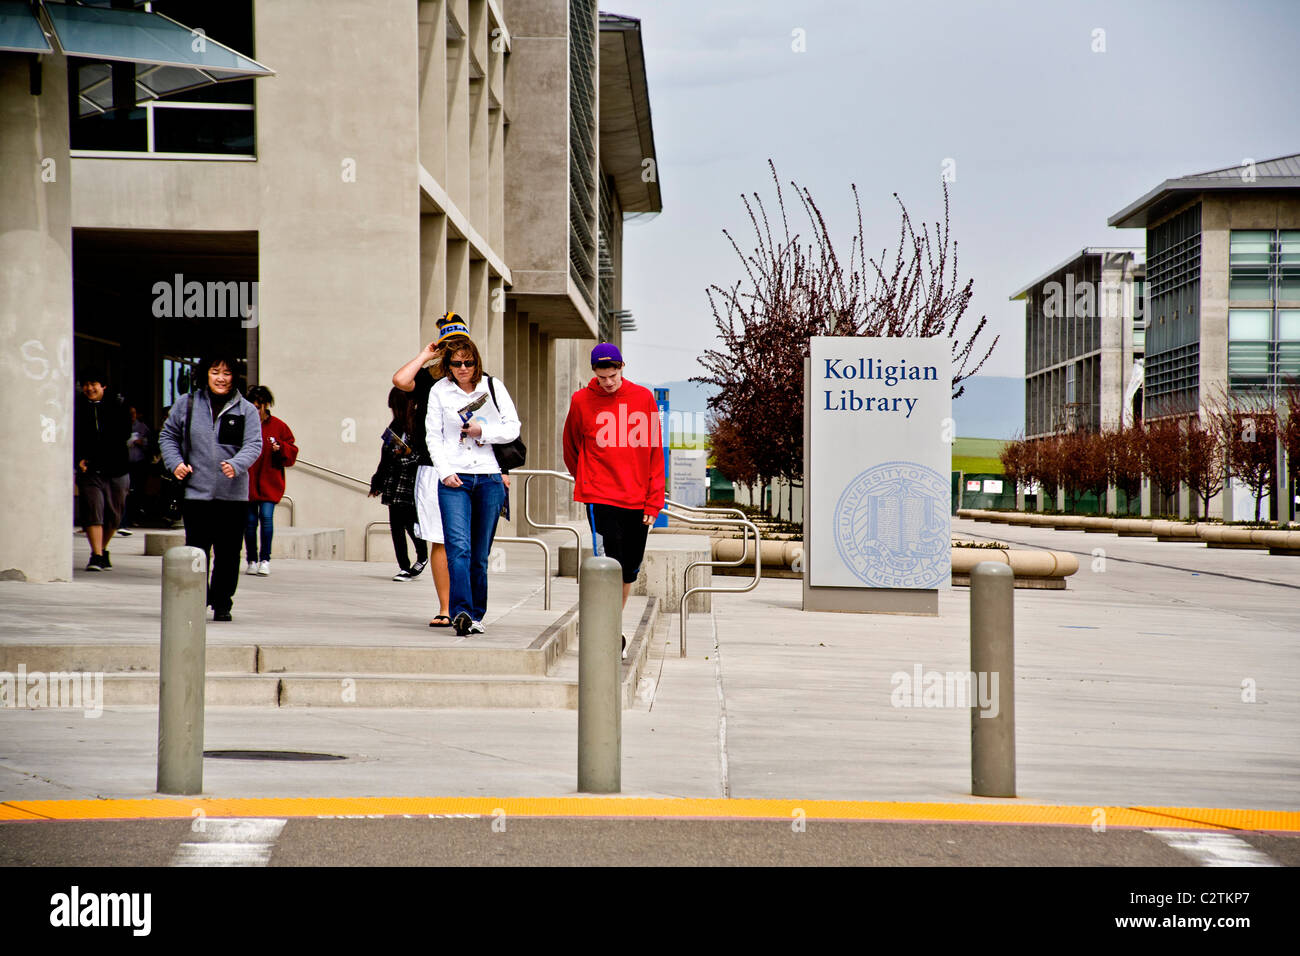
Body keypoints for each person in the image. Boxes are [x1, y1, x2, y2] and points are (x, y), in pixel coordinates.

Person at [562, 343, 665, 658]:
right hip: (600, 498)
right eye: (602, 376)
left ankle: (610, 622)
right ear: (594, 372)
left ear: (623, 368)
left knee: (628, 570)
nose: (608, 382)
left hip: (637, 499)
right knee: (609, 565)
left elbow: (654, 452)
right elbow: (570, 447)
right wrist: (588, 479)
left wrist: (654, 502)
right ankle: (610, 632)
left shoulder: (643, 398)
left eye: (614, 375)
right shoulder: (581, 401)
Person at [426, 324, 520, 637]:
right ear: (448, 366)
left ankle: (476, 615)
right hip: (454, 479)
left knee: (479, 555)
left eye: (469, 362)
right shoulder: (440, 391)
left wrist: (484, 432)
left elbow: (513, 427)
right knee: (458, 549)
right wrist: (444, 472)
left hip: (489, 477)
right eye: (457, 363)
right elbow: (433, 436)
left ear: (476, 362)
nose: (464, 368)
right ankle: (461, 612)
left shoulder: (492, 386)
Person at [159, 354, 262, 621]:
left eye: (227, 373)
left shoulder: (246, 410)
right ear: (205, 374)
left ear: (234, 377)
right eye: (215, 371)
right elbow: (168, 435)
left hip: (233, 496)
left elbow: (254, 444)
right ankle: (196, 598)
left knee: (228, 554)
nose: (221, 378)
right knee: (197, 550)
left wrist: (237, 464)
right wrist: (176, 463)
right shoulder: (187, 404)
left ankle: (222, 602)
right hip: (197, 493)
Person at [391, 315, 463, 627]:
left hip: (469, 468)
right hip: (432, 467)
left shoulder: (478, 379)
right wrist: (426, 354)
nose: (456, 356)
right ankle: (446, 608)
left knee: (467, 542)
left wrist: (503, 469)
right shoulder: (427, 379)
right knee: (439, 539)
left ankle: (470, 605)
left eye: (462, 348)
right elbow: (399, 380)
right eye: (449, 347)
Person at [369, 388, 431, 585]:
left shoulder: (419, 425)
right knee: (396, 525)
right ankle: (403, 567)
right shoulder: (394, 426)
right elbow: (384, 455)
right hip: (393, 481)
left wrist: (404, 458)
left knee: (411, 522)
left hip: (411, 481)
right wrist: (377, 480)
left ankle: (422, 555)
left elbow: (423, 455)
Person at [74, 372, 132, 571]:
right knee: (93, 510)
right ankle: (97, 555)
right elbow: (73, 436)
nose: (89, 388)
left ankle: (103, 549)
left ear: (104, 386)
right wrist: (78, 459)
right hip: (89, 470)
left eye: (94, 384)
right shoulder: (77, 406)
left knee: (114, 515)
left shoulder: (118, 405)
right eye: (86, 384)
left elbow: (121, 435)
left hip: (117, 468)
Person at [244, 385, 298, 576]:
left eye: (258, 407)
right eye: (252, 407)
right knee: (249, 523)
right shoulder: (244, 425)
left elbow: (292, 451)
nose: (256, 412)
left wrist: (280, 447)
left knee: (266, 518)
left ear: (266, 405)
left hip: (269, 483)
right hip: (247, 485)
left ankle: (265, 559)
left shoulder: (279, 426)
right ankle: (251, 559)